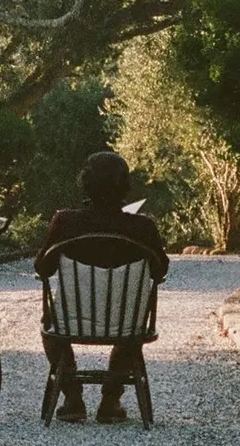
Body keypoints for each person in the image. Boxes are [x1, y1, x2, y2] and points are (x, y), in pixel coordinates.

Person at [35, 150, 169, 423]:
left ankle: (72, 397)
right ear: (126, 186)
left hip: (71, 322)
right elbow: (160, 270)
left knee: (50, 325)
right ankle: (110, 400)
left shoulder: (65, 222)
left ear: (85, 183)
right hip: (124, 323)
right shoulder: (142, 227)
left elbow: (42, 268)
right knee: (133, 322)